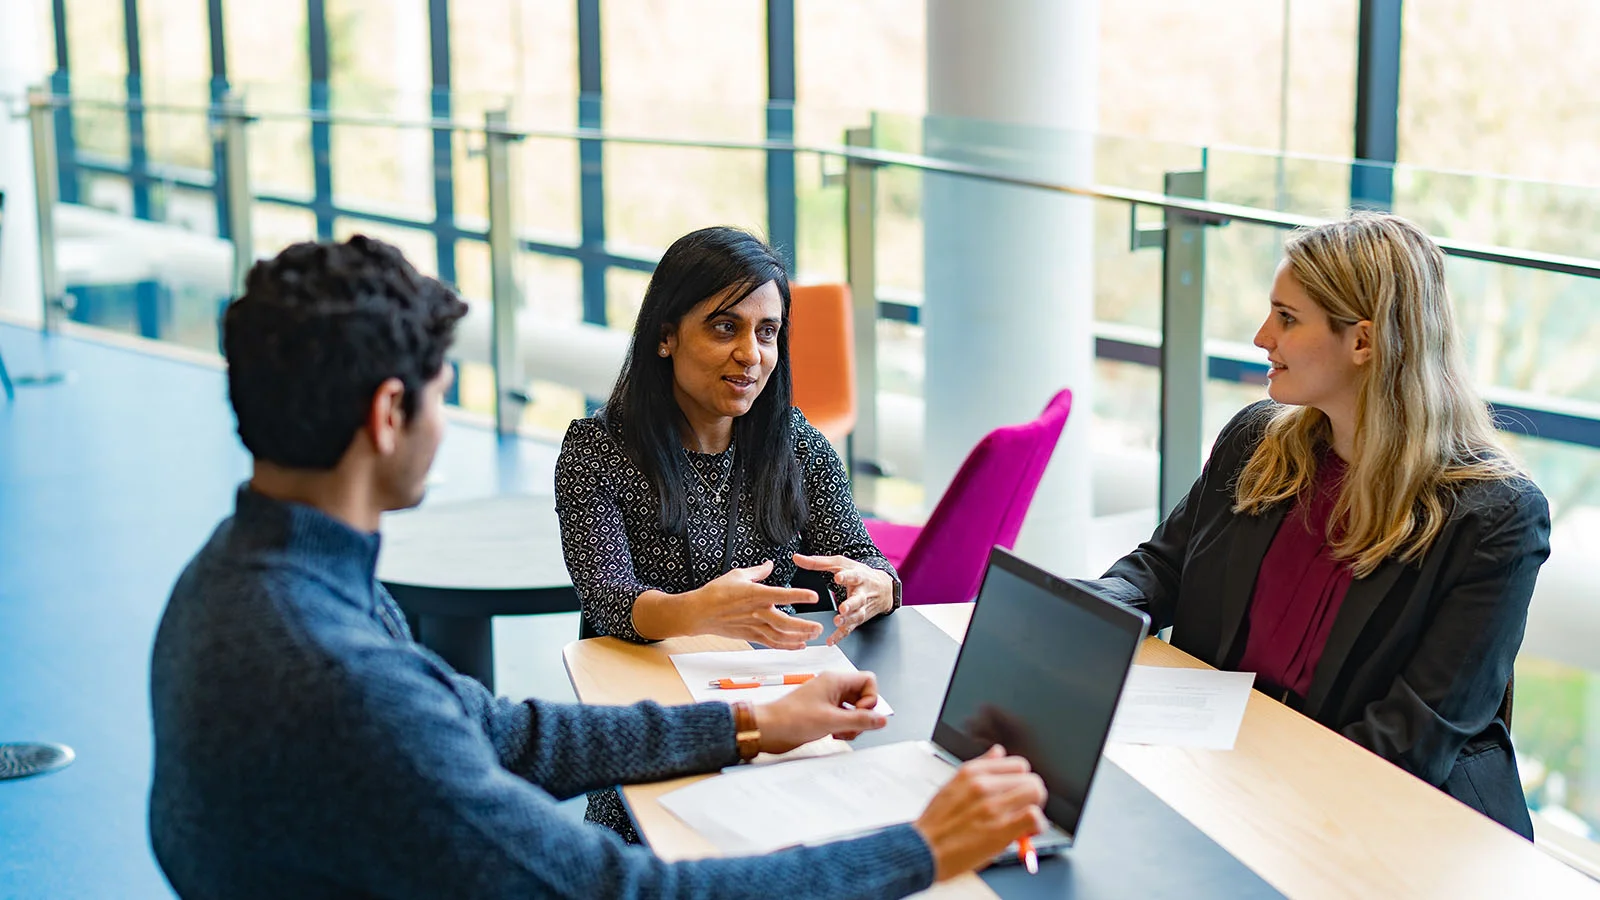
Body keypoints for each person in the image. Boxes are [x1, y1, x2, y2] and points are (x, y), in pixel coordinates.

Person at [147, 236, 1047, 899]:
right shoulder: (340, 676)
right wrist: (924, 847)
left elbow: (502, 733)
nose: (447, 411)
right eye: (440, 386)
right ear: (390, 413)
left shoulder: (246, 579)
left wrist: (748, 723)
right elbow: (629, 893)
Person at [1102, 212, 1550, 838]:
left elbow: (1411, 737)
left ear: (1363, 342)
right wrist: (1078, 617)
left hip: (1392, 825)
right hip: (1229, 777)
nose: (1263, 337)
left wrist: (1254, 804)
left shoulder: (1495, 518)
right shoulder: (1257, 439)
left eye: (1287, 318)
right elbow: (1161, 568)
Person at [554, 227, 902, 838]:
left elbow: (865, 559)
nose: (752, 354)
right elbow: (608, 603)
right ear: (666, 336)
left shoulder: (796, 445)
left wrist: (876, 585)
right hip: (653, 734)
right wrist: (701, 611)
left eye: (767, 333)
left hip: (784, 731)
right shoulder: (598, 452)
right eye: (725, 327)